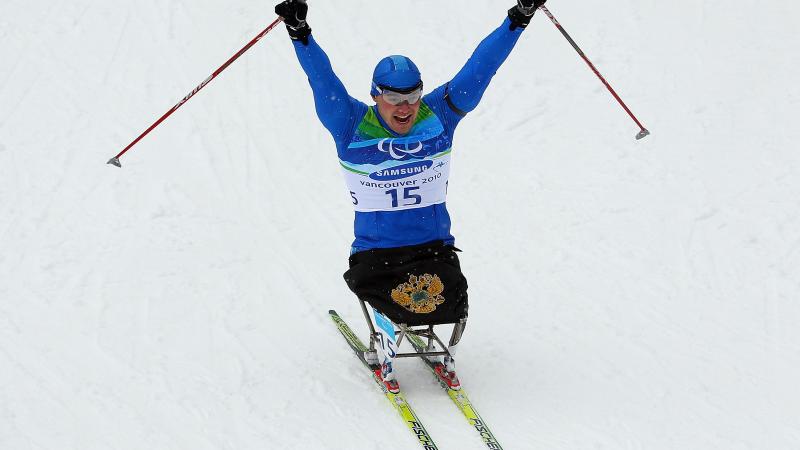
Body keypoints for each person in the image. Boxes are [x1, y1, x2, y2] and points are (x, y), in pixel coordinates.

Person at [275, 0, 547, 393]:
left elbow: (480, 69)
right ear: (375, 96)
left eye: (412, 96)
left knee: (455, 301)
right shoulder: (350, 124)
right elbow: (324, 82)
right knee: (396, 301)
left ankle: (437, 350)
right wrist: (301, 34)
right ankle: (385, 346)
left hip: (433, 248)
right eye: (394, 98)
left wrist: (517, 19)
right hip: (376, 255)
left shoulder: (440, 115)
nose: (404, 107)